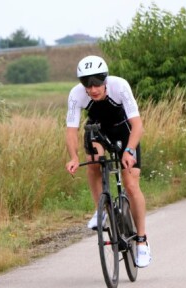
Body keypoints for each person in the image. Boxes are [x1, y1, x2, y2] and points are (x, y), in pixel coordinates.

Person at [64, 55, 151, 268]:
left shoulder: (119, 86)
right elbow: (71, 130)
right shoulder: (76, 95)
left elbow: (137, 124)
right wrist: (73, 157)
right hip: (98, 130)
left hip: (124, 131)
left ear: (105, 79)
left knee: (131, 185)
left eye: (96, 83)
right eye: (87, 84)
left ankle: (141, 241)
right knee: (93, 161)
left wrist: (129, 150)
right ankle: (101, 211)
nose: (92, 89)